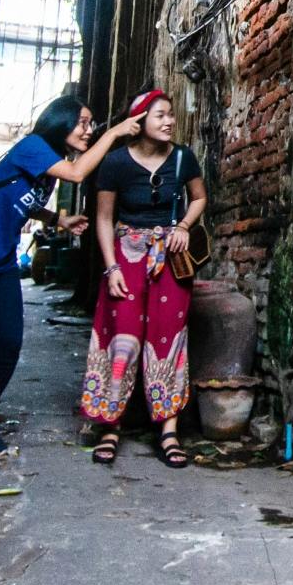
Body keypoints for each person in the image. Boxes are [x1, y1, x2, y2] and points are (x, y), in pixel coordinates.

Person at [0, 95, 145, 472]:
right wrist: (113, 133)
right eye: (82, 122)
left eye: (92, 123)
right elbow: (79, 174)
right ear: (60, 122)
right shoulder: (35, 147)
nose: (88, 129)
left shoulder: (46, 166)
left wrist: (56, 220)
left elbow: (21, 198)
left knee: (9, 342)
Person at [80, 88, 205, 468]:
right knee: (122, 336)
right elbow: (104, 218)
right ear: (139, 122)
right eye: (160, 115)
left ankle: (168, 431)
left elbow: (199, 198)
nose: (169, 121)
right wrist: (111, 267)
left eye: (170, 115)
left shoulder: (183, 158)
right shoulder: (115, 163)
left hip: (169, 257)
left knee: (168, 338)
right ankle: (110, 425)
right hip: (126, 257)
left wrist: (183, 224)